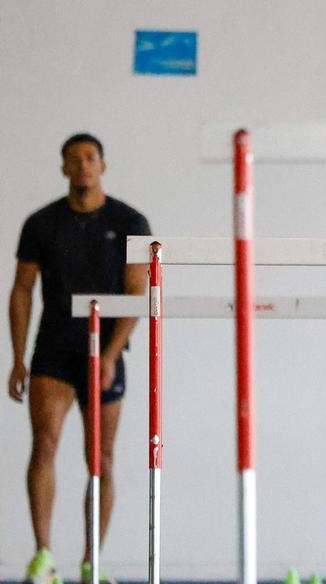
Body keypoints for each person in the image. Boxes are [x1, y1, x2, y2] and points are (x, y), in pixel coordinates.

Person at [8, 133, 150, 584]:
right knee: (44, 443)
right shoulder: (41, 223)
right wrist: (17, 357)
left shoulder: (130, 221)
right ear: (64, 168)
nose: (83, 165)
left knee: (101, 458)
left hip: (105, 352)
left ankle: (93, 562)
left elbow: (138, 292)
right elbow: (21, 290)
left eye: (90, 158)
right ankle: (43, 555)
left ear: (102, 165)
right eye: (74, 159)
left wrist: (110, 354)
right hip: (54, 350)